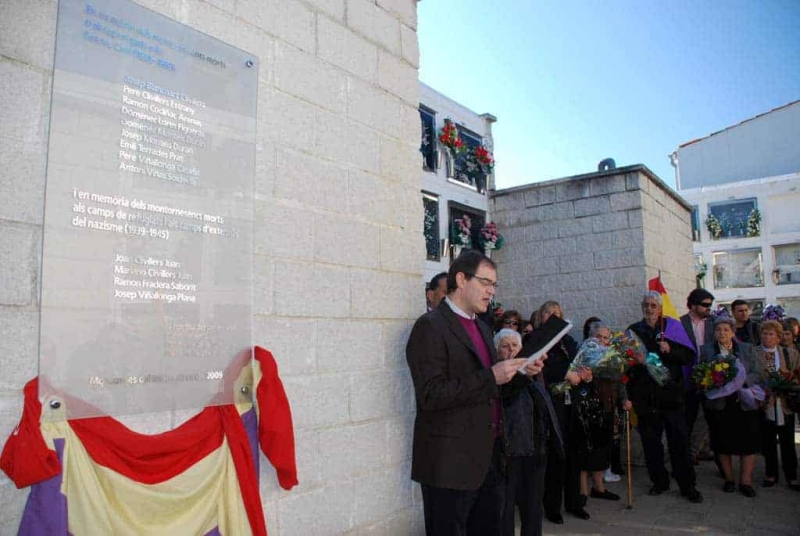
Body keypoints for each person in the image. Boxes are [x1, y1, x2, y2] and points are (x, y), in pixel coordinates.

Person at [406, 251, 544, 535]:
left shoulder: (482, 328)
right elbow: (431, 394)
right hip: (449, 465)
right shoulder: (429, 326)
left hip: (489, 459)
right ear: (461, 279)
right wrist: (491, 375)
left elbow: (494, 390)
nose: (491, 291)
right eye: (485, 282)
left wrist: (521, 375)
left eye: (494, 284)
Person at [625, 291, 703, 503]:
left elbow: (688, 357)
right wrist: (636, 363)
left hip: (671, 396)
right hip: (646, 399)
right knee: (651, 445)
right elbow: (625, 365)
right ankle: (659, 481)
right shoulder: (633, 330)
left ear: (660, 308)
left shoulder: (672, 327)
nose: (649, 309)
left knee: (679, 443)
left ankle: (688, 485)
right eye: (646, 305)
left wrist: (670, 349)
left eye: (653, 305)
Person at [494, 329, 563, 536]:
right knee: (504, 511)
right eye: (505, 347)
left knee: (533, 509)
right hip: (509, 454)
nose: (511, 350)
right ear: (497, 353)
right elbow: (506, 395)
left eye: (515, 346)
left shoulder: (534, 375)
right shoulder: (499, 378)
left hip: (536, 452)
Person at [564, 323, 624, 516]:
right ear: (590, 337)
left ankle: (599, 488)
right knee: (584, 450)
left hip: (607, 407)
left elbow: (619, 379)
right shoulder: (586, 354)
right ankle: (582, 491)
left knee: (603, 448)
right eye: (599, 337)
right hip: (587, 409)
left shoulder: (612, 356)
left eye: (606, 338)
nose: (602, 341)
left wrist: (625, 398)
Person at [699, 316, 762, 497]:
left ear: (733, 332)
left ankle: (746, 482)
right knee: (722, 443)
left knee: (747, 444)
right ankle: (729, 479)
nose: (722, 333)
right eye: (718, 330)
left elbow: (757, 373)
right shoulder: (707, 351)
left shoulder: (746, 348)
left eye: (726, 330)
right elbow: (701, 374)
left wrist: (742, 382)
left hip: (744, 403)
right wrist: (714, 381)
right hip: (720, 404)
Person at [535, 301, 581, 524]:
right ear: (540, 317)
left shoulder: (568, 340)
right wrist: (566, 373)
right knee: (556, 457)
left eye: (557, 313)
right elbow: (541, 366)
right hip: (551, 406)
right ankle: (552, 506)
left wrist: (585, 371)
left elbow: (579, 359)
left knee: (573, 454)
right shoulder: (538, 339)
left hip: (571, 404)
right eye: (548, 312)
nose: (553, 316)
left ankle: (574, 502)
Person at [757, 321, 800, 491]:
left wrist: (786, 384)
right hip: (765, 404)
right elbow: (752, 376)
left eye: (771, 334)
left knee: (788, 440)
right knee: (768, 440)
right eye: (764, 334)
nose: (767, 337)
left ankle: (792, 475)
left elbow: (797, 375)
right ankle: (771, 473)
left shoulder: (791, 353)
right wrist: (764, 391)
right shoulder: (754, 353)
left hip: (784, 404)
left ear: (778, 337)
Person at [679, 289, 716, 464]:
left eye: (710, 304)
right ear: (693, 304)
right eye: (705, 305)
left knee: (709, 417)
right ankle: (687, 453)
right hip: (688, 378)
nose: (709, 308)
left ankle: (703, 449)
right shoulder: (680, 323)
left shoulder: (714, 323)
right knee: (690, 416)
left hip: (711, 377)